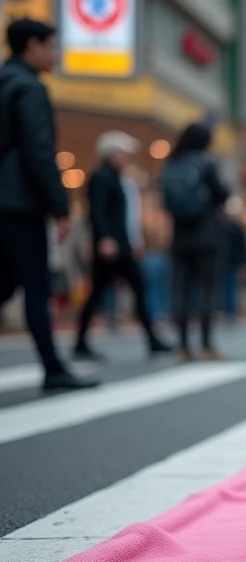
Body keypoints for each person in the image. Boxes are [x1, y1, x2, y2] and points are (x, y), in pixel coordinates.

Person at [0, 19, 97, 391]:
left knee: (5, 284)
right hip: (20, 204)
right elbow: (39, 153)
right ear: (31, 46)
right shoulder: (29, 88)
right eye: (51, 46)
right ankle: (54, 369)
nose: (55, 54)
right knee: (36, 289)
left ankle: (55, 366)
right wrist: (60, 207)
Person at [74, 132, 172, 360]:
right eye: (122, 153)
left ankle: (151, 339)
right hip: (111, 247)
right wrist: (105, 238)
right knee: (102, 292)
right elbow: (97, 211)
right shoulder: (101, 177)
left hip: (122, 246)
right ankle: (81, 342)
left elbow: (126, 216)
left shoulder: (121, 178)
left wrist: (133, 241)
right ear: (112, 153)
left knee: (135, 288)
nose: (126, 157)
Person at [160, 122, 230, 362]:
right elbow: (222, 194)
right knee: (207, 291)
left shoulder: (173, 162)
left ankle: (182, 347)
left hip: (180, 237)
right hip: (207, 236)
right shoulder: (206, 162)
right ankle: (207, 345)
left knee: (180, 290)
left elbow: (165, 201)